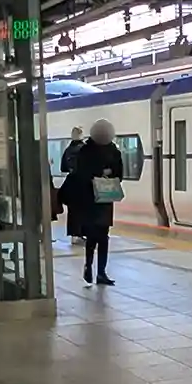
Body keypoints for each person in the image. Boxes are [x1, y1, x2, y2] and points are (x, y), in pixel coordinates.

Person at [60, 119, 123, 287]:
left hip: (90, 200)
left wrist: (95, 175)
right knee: (103, 237)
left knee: (93, 236)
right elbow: (119, 175)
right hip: (105, 198)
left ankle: (90, 266)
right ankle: (100, 272)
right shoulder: (114, 151)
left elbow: (81, 175)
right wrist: (106, 174)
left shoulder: (85, 151)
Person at [60, 126, 86, 244]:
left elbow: (63, 168)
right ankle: (81, 234)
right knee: (84, 210)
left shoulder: (68, 150)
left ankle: (74, 235)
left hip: (71, 184)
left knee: (72, 211)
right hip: (84, 184)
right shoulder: (85, 149)